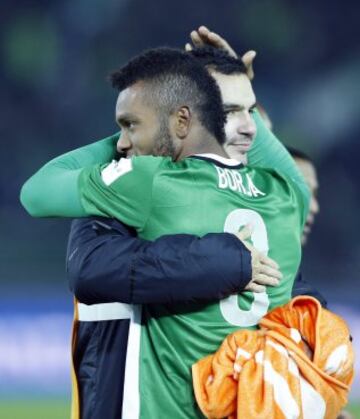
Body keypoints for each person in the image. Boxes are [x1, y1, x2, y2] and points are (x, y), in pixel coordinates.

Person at [20, 47, 309, 418]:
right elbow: (281, 164)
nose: (124, 142)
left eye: (130, 124)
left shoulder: (149, 181)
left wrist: (129, 139)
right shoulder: (285, 195)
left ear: (183, 120)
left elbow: (36, 193)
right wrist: (158, 116)